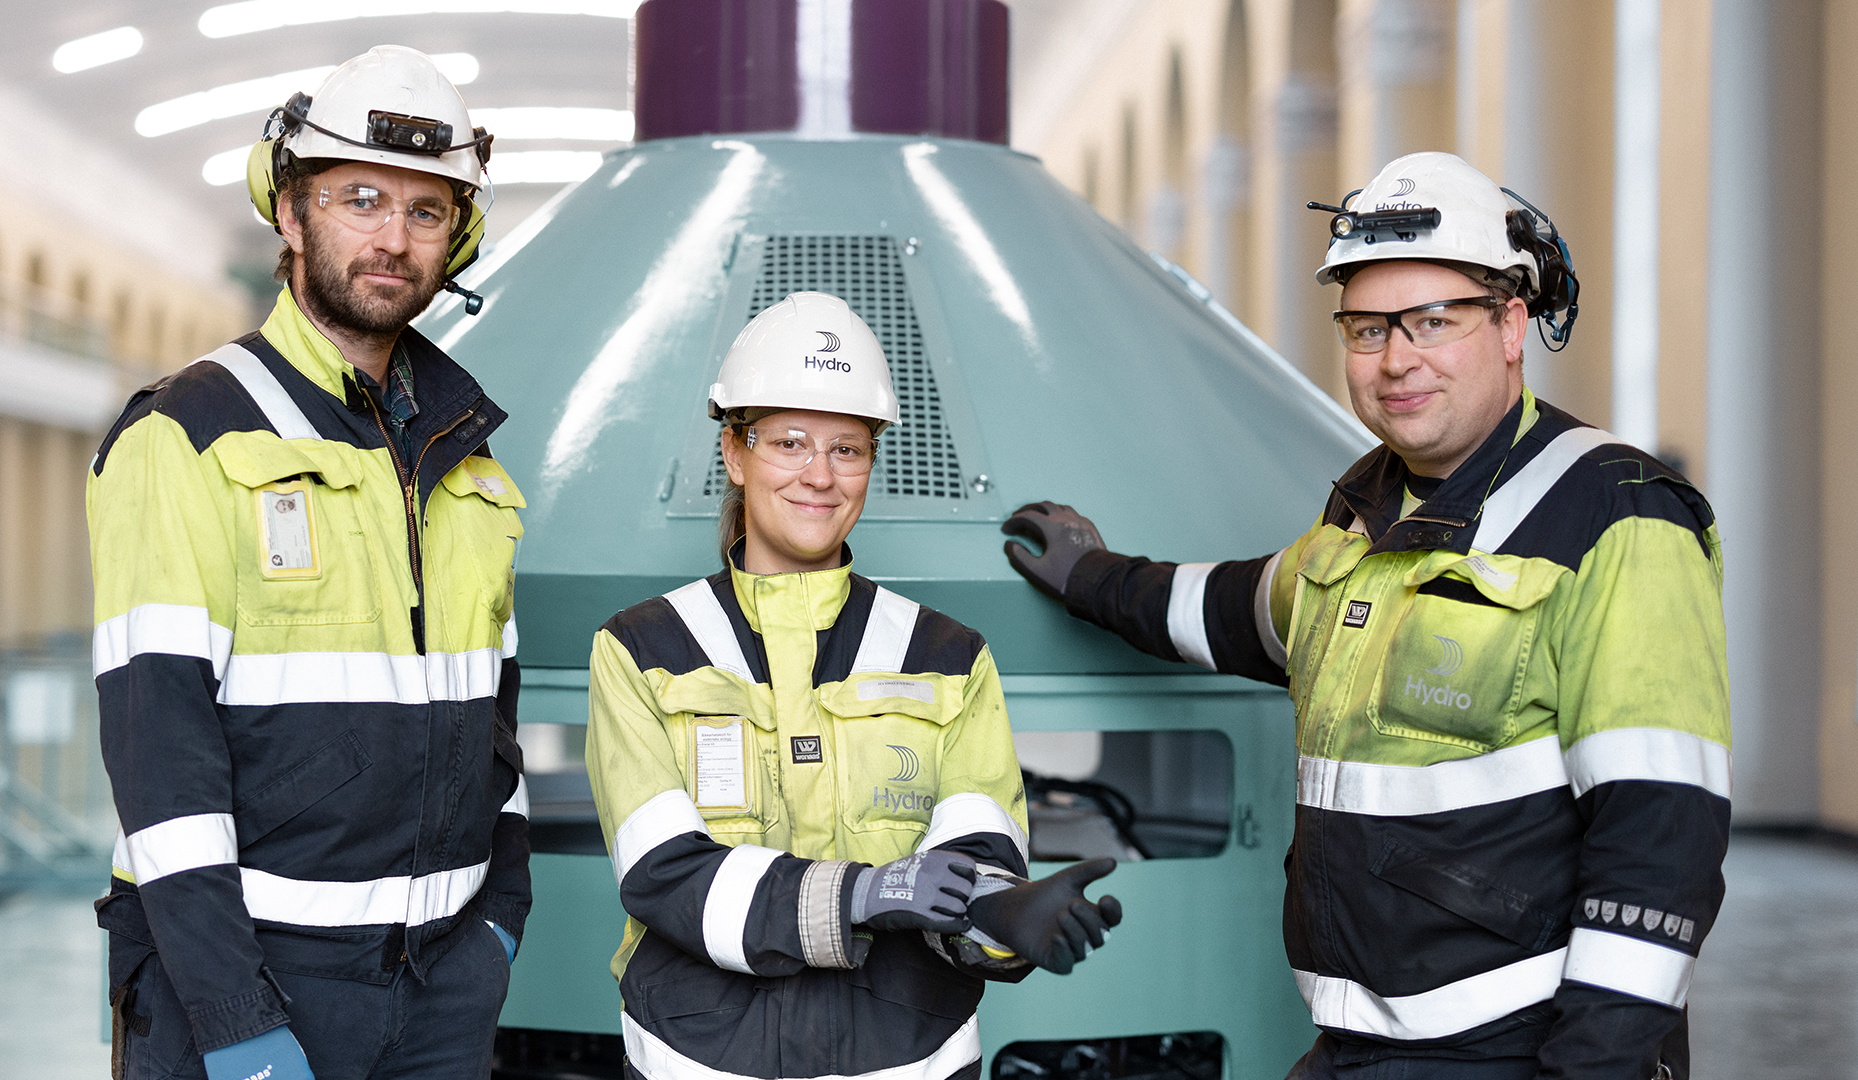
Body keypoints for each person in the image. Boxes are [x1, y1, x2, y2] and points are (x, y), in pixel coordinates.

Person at [1000, 152, 1729, 1080]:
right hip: (1361, 1041)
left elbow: (1661, 836)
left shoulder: (1614, 517)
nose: (1396, 361)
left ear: (1511, 322)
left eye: (1433, 321)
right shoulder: (1365, 515)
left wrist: (1594, 1066)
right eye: (1366, 328)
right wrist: (1089, 576)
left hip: (1516, 1045)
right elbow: (1239, 611)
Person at [88, 46, 529, 1080]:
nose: (392, 237)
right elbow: (161, 756)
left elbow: (488, 714)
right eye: (360, 198)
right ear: (290, 215)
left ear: (455, 239)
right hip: (248, 985)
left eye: (427, 212)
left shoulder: (466, 463)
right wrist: (236, 1015)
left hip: (443, 989)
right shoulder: (187, 433)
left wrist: (499, 920)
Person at [587, 291, 1124, 1080]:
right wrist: (859, 896)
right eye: (791, 443)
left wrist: (999, 914)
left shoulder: (946, 654)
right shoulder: (643, 649)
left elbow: (972, 852)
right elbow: (665, 875)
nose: (820, 476)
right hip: (700, 1061)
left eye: (848, 448)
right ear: (735, 454)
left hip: (909, 1062)